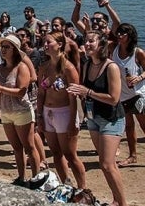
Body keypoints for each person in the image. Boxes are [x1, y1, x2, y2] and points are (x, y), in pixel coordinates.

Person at [67, 30, 127, 206]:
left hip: (111, 119)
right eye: (86, 41)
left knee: (108, 164)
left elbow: (114, 98)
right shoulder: (87, 65)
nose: (87, 44)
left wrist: (88, 92)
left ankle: (123, 203)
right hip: (93, 118)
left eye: (91, 41)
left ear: (101, 45)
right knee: (104, 164)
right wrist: (78, 92)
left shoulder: (111, 67)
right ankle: (116, 199)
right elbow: (86, 91)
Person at [0, 34, 45, 189]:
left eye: (7, 47)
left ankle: (36, 178)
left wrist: (1, 89)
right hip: (6, 110)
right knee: (16, 147)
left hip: (21, 110)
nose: (3, 50)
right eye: (2, 47)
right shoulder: (0, 68)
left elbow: (21, 91)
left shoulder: (22, 67)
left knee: (29, 146)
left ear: (15, 49)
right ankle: (21, 177)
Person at [36, 31, 86, 189]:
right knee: (56, 153)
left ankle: (83, 188)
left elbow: (74, 97)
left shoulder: (68, 69)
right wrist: (39, 116)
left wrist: (73, 120)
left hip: (64, 112)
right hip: (47, 112)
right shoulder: (44, 67)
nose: (45, 45)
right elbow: (41, 93)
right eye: (44, 42)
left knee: (70, 155)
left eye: (49, 42)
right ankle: (67, 185)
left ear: (59, 45)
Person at [110, 23, 145, 168]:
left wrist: (140, 78)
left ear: (130, 36)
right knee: (129, 126)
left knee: (143, 125)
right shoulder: (113, 49)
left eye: (123, 33)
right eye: (118, 33)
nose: (119, 35)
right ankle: (132, 156)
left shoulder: (138, 52)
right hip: (122, 95)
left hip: (137, 94)